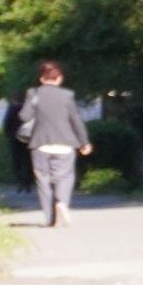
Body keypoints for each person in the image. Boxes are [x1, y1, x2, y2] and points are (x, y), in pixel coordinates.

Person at [17, 59, 92, 227]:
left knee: (43, 180)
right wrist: (84, 142)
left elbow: (24, 117)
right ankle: (62, 203)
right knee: (64, 177)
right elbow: (76, 120)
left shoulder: (33, 93)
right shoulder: (67, 96)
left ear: (41, 79)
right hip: (65, 143)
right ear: (59, 78)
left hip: (40, 143)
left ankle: (50, 218)